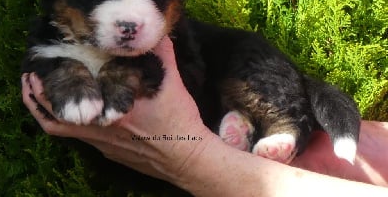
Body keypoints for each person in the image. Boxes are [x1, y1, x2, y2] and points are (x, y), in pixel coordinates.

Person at [22, 37, 388, 197]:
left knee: (254, 72)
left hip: (238, 75)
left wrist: (191, 157)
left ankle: (285, 127)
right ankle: (262, 130)